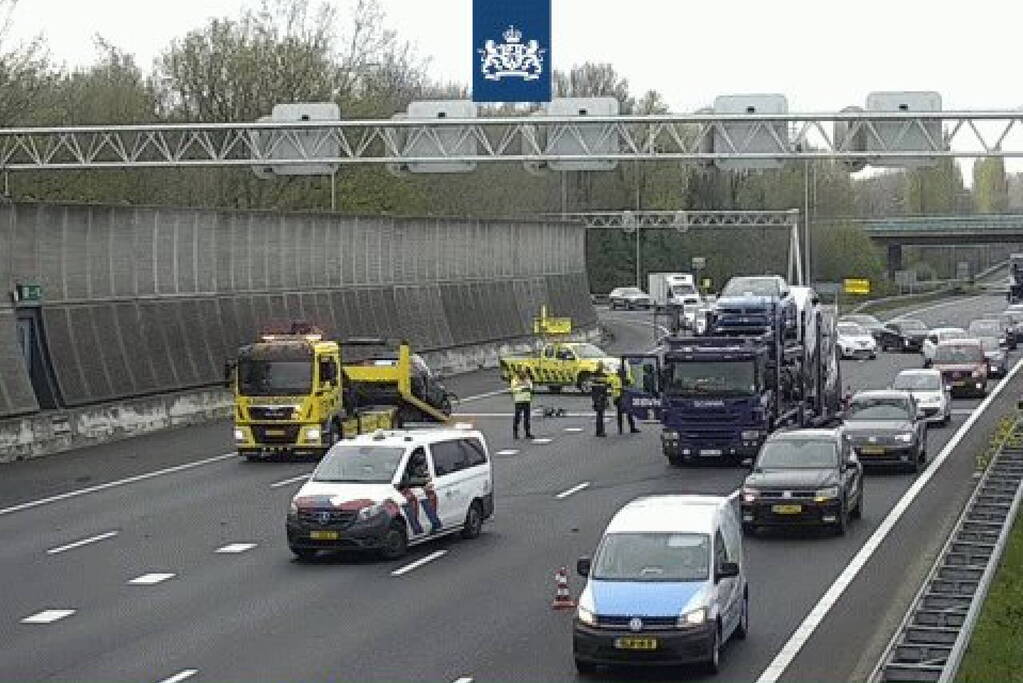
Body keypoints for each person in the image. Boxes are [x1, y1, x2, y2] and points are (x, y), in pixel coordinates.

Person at [399, 448, 441, 535]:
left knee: (415, 499)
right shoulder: (409, 462)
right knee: (419, 498)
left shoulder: (416, 461)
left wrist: (422, 481)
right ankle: (430, 524)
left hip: (417, 486)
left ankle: (419, 528)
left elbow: (410, 479)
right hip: (415, 486)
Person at [614, 366, 640, 435]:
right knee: (622, 414)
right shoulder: (616, 379)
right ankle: (621, 429)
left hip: (624, 397)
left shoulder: (625, 378)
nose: (624, 374)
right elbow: (616, 387)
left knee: (629, 413)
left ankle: (630, 428)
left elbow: (632, 382)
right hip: (619, 397)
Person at [510, 368, 535, 440]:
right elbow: (513, 389)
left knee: (527, 418)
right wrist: (522, 389)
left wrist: (527, 388)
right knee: (517, 417)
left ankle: (527, 433)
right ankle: (515, 433)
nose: (523, 375)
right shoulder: (515, 380)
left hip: (527, 400)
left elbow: (531, 387)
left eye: (524, 374)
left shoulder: (527, 379)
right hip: (519, 401)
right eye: (522, 373)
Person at [591, 362, 610, 437]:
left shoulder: (593, 375)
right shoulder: (603, 376)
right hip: (600, 396)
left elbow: (593, 387)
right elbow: (604, 387)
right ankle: (600, 431)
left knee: (600, 414)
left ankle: (599, 431)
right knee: (600, 414)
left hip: (596, 396)